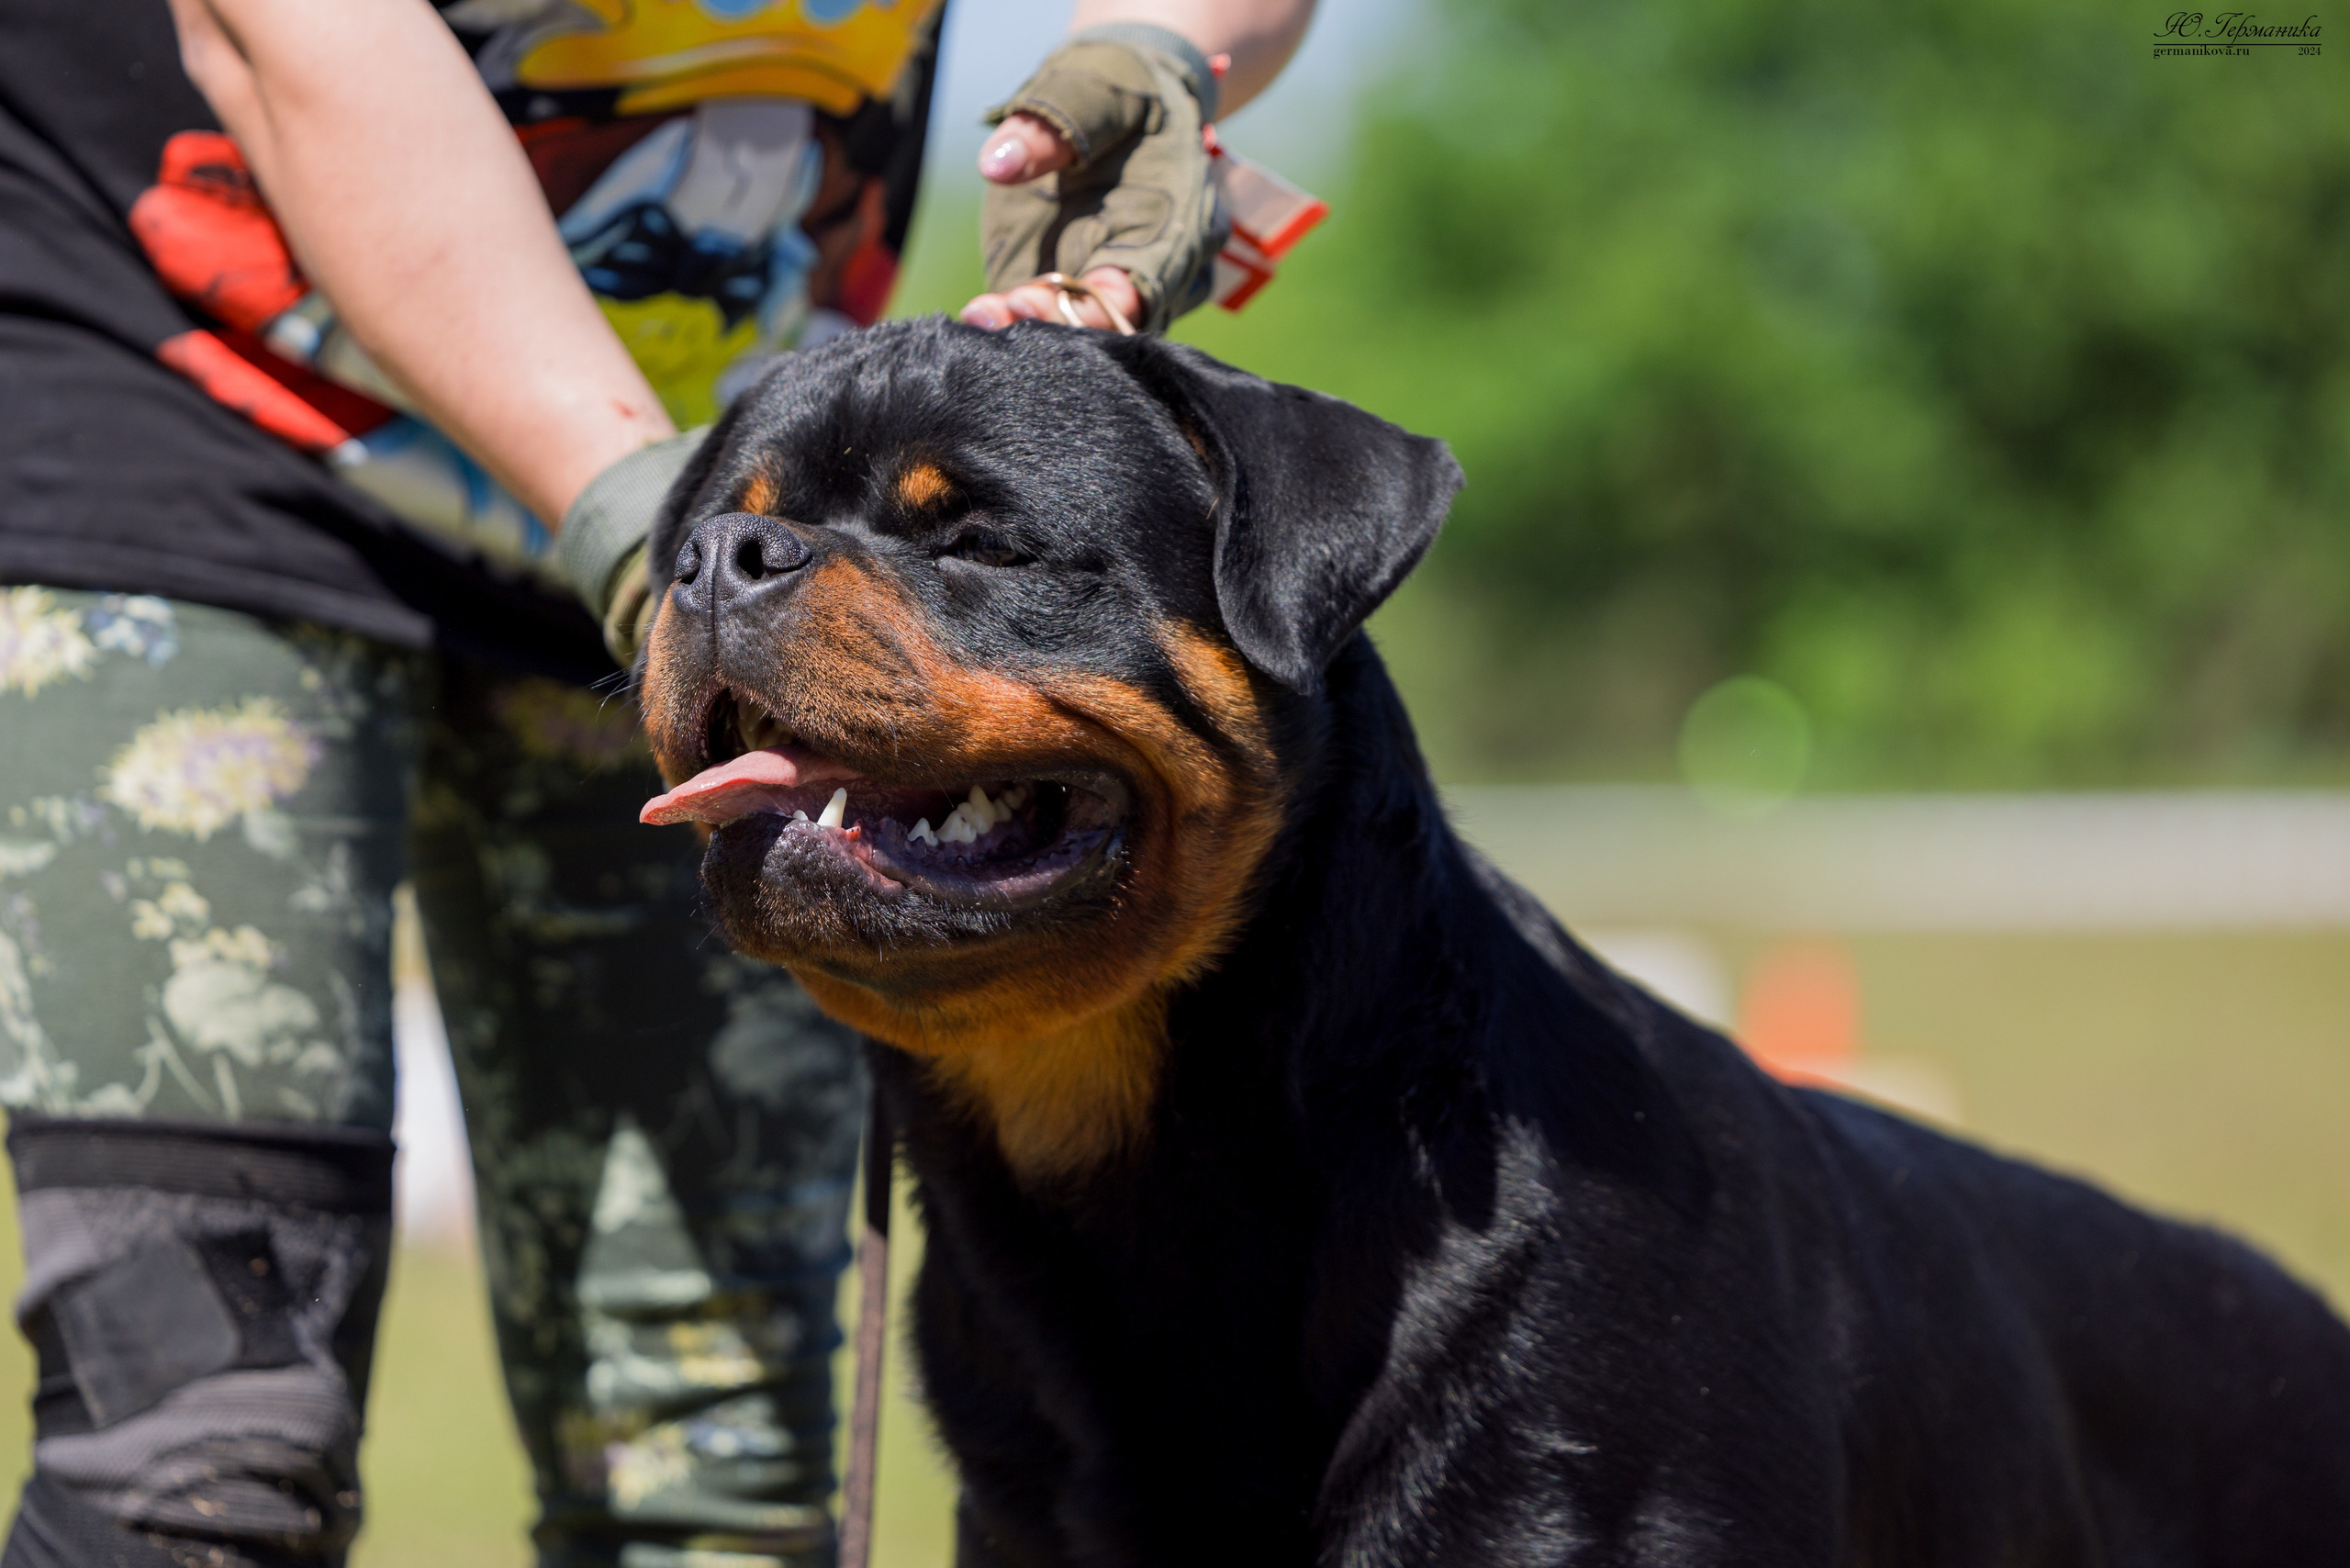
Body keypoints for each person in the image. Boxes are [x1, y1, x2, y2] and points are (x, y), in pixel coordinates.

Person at [0, 0, 1314, 1562]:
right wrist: (659, 529)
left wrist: (1158, 51)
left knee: (713, 1478)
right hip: (199, 440)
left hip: (745, 495)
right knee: (200, 1465)